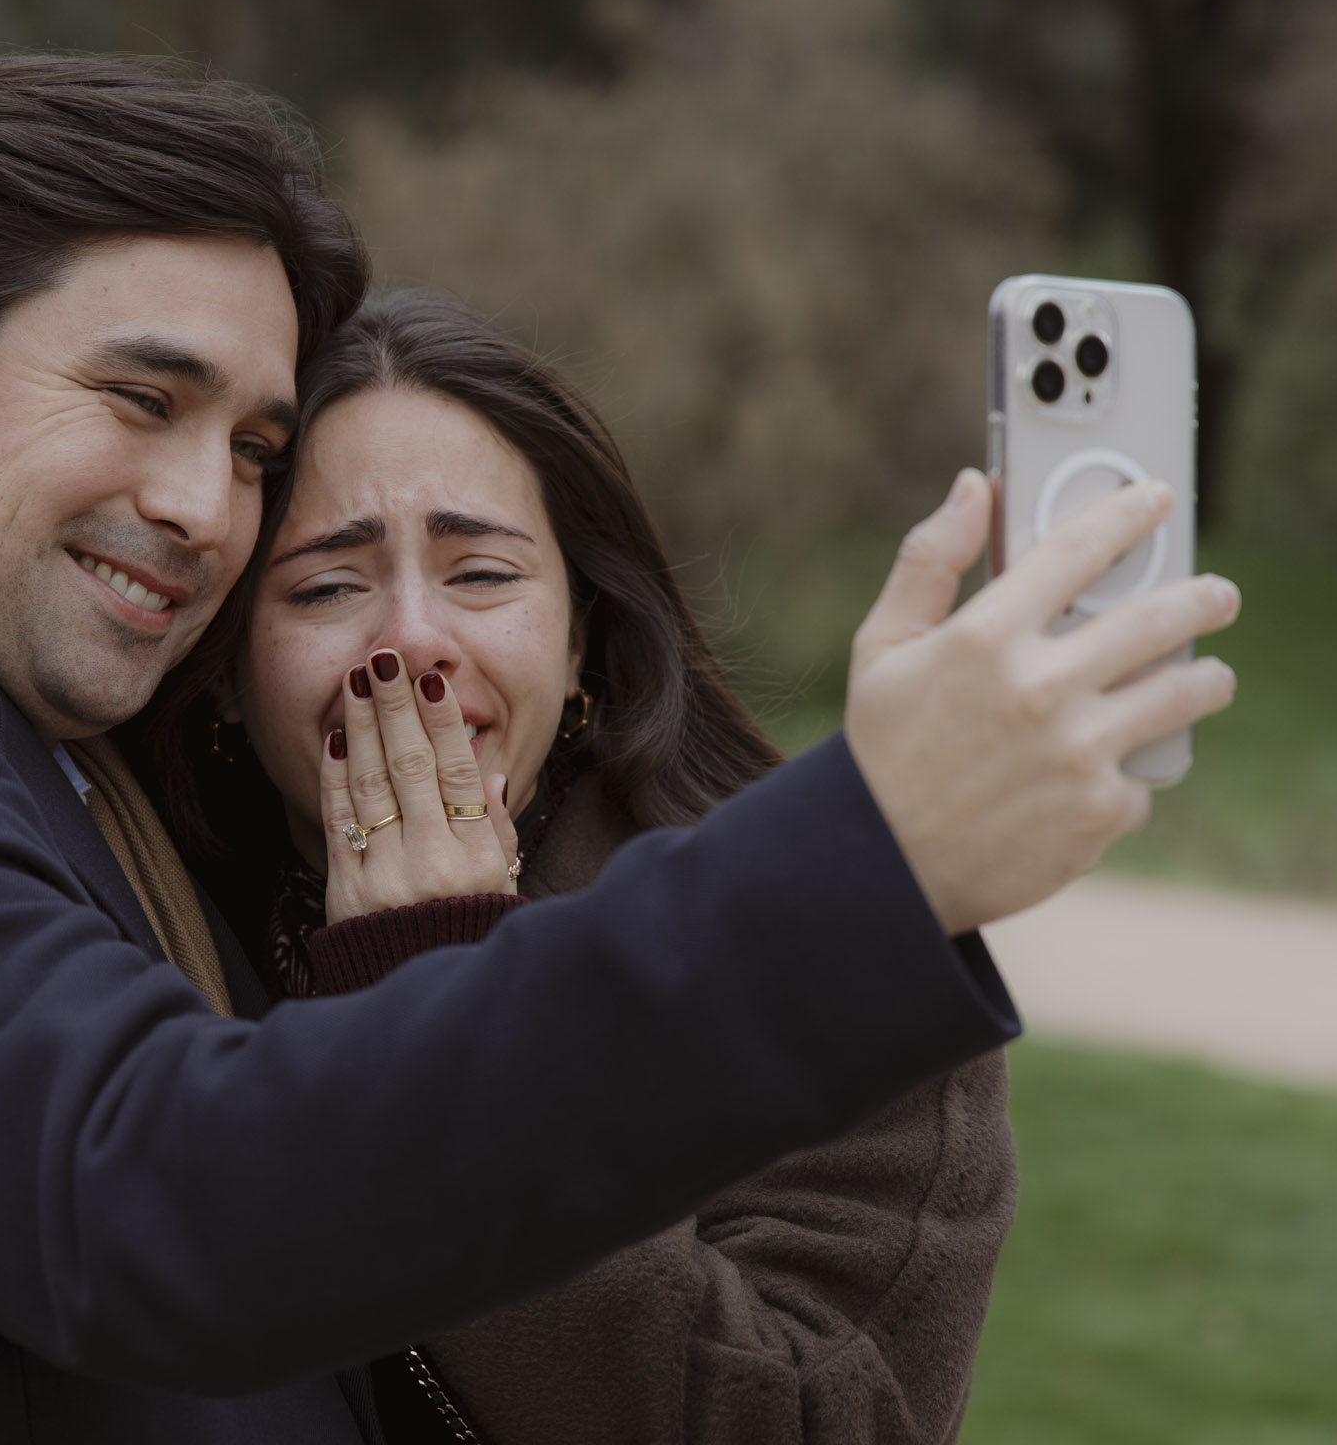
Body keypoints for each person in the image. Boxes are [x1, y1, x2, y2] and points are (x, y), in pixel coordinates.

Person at [0, 54, 1240, 1444]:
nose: (203, 507)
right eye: (142, 400)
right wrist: (870, 860)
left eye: (252, 443)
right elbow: (166, 1200)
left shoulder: (17, 742)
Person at [145, 290, 1016, 1443]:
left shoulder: (822, 964)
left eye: (483, 573)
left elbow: (810, 1422)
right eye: (326, 586)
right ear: (227, 669)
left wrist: (437, 995)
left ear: (580, 634)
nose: (411, 639)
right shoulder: (128, 918)